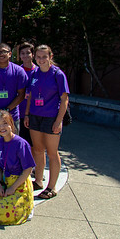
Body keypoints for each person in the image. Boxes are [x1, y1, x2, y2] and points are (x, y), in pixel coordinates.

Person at [24, 44, 70, 200]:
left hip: (51, 117)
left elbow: (64, 99)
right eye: (38, 57)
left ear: (51, 57)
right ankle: (38, 180)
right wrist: (27, 114)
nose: (41, 60)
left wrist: (59, 120)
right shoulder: (35, 73)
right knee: (37, 149)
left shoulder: (58, 74)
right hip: (35, 115)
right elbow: (30, 95)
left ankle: (52, 186)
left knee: (52, 152)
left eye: (44, 57)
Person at [17, 42, 37, 146]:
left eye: (28, 53)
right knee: (21, 143)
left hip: (35, 113)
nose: (25, 56)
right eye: (22, 53)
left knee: (34, 145)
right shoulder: (16, 71)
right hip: (19, 112)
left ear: (33, 55)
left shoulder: (39, 71)